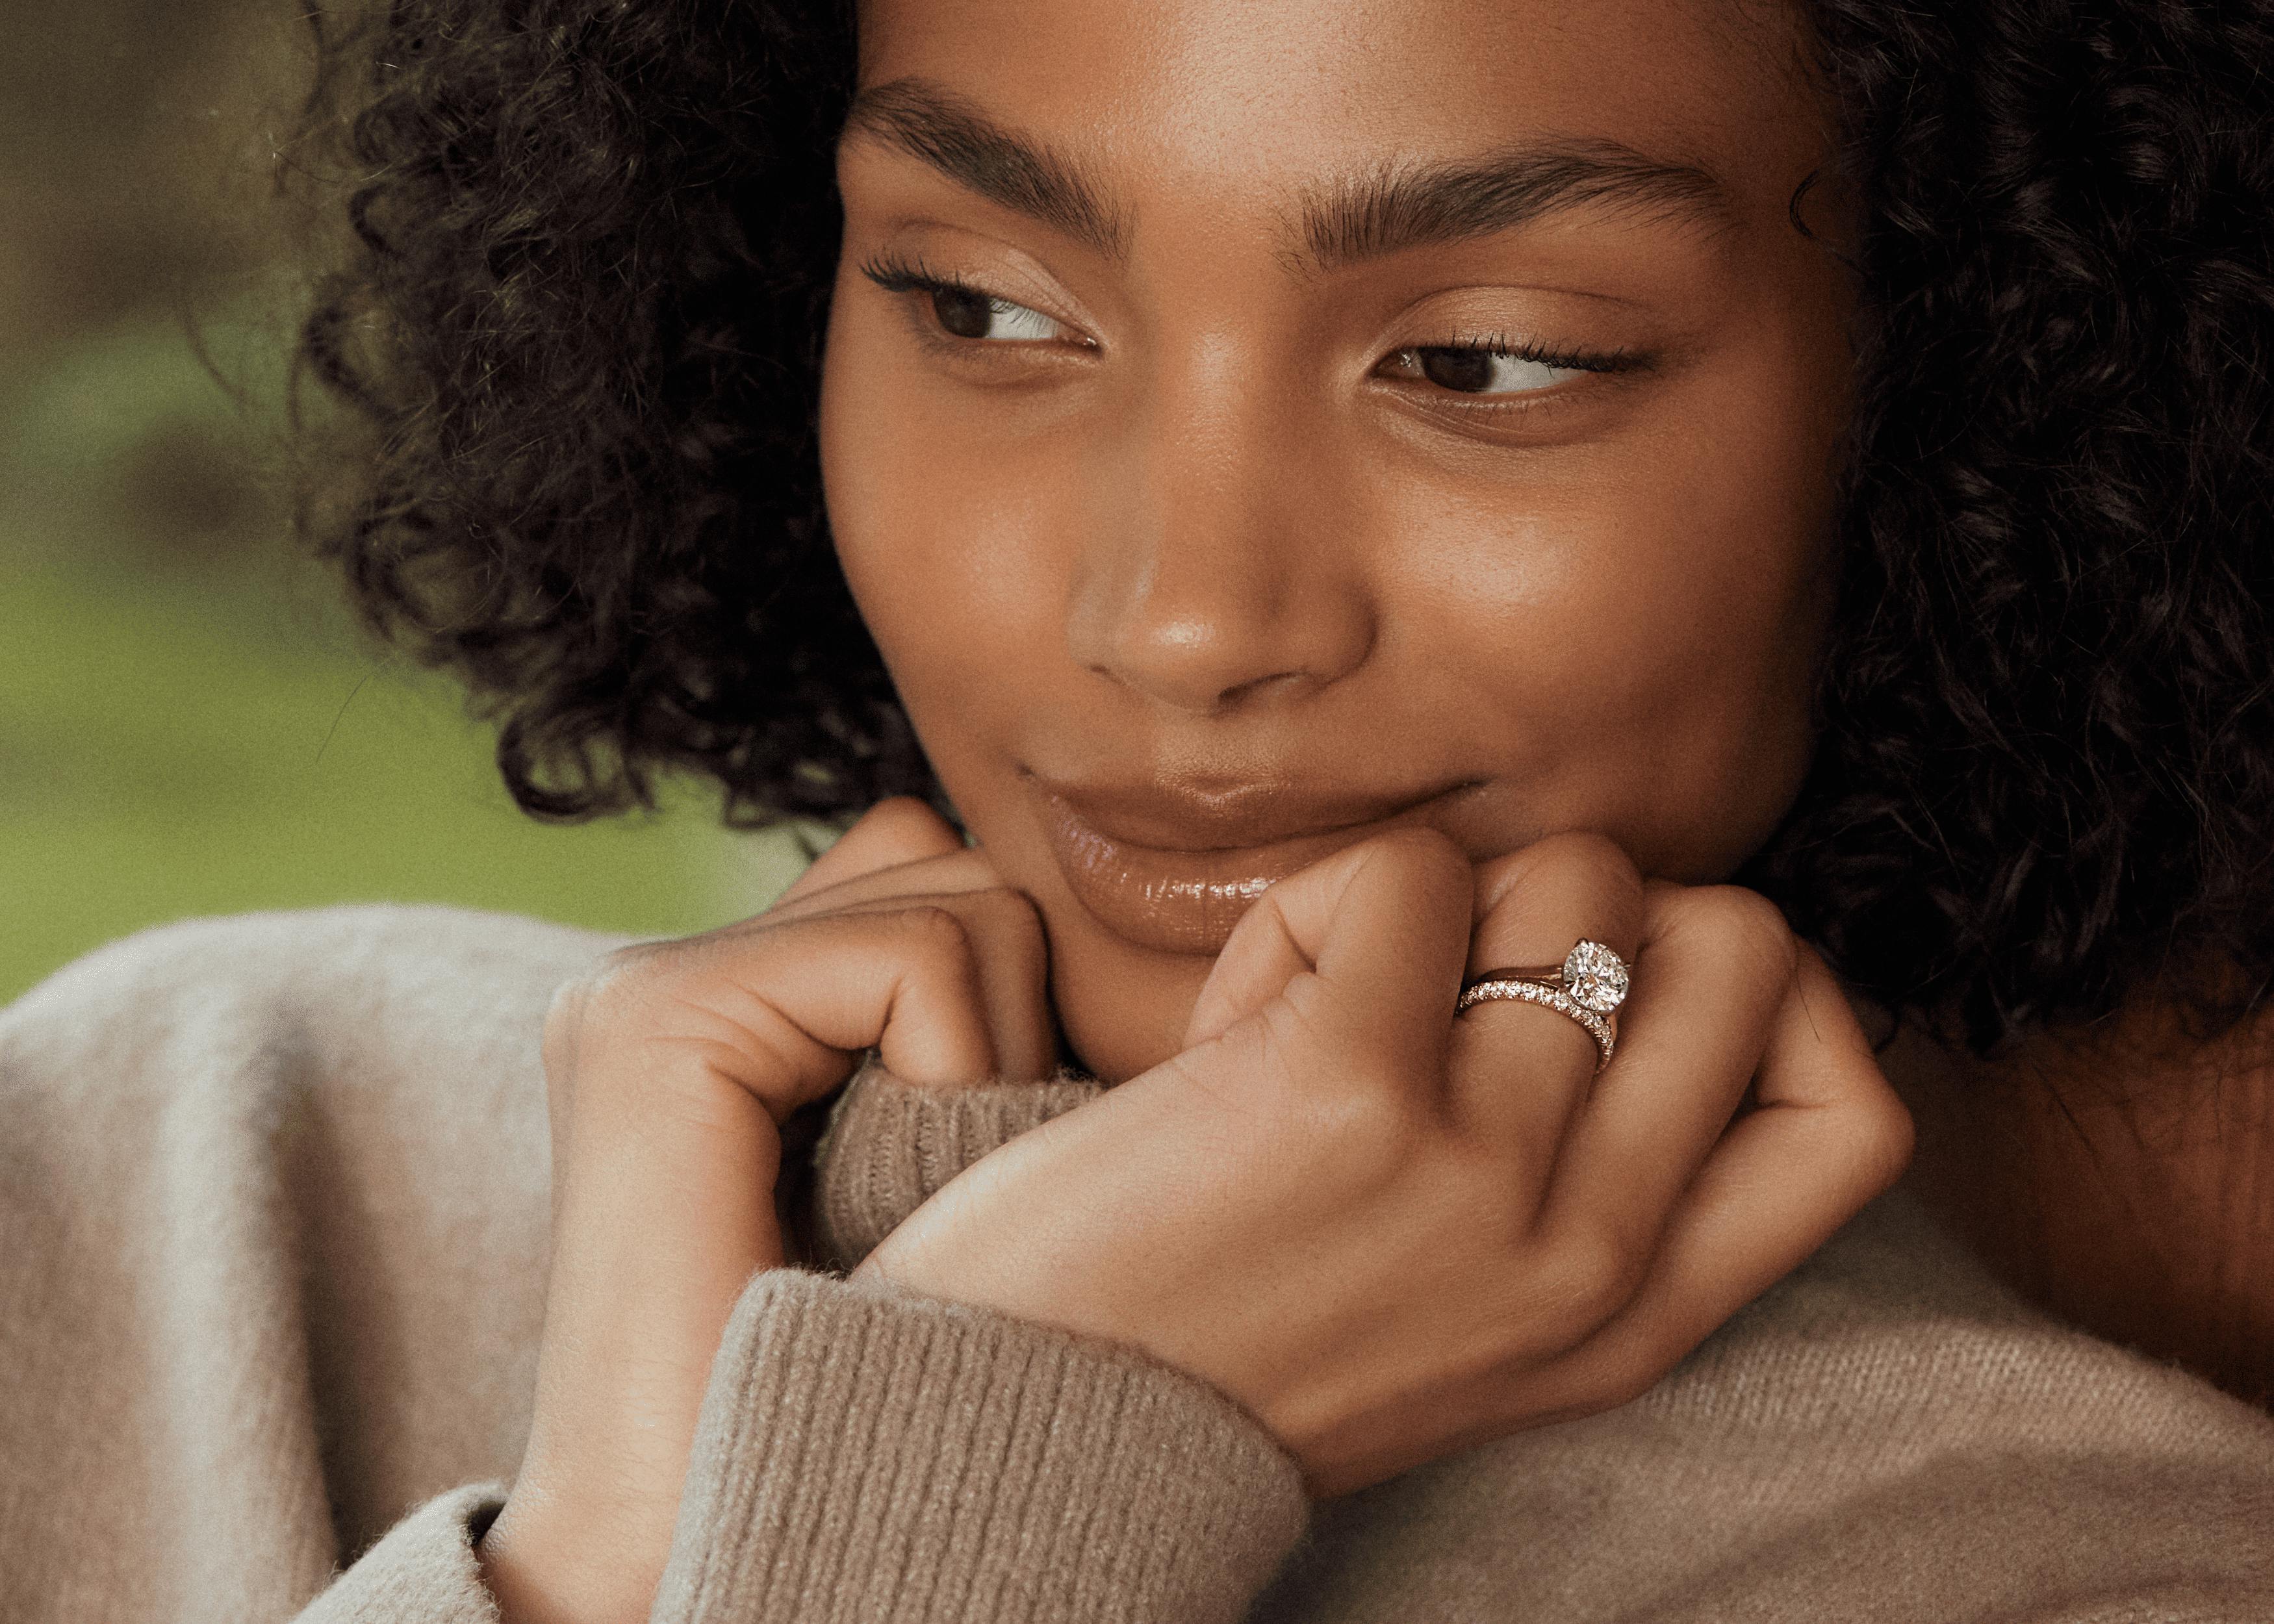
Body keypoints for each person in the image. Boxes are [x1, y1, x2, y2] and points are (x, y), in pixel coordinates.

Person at [6, 0, 2273, 1619]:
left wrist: (995, 1438)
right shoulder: (184, 1171)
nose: (1180, 617)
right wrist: (590, 1563)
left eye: (1480, 362)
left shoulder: (2059, 1563)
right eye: (980, 307)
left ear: (1976, 382)